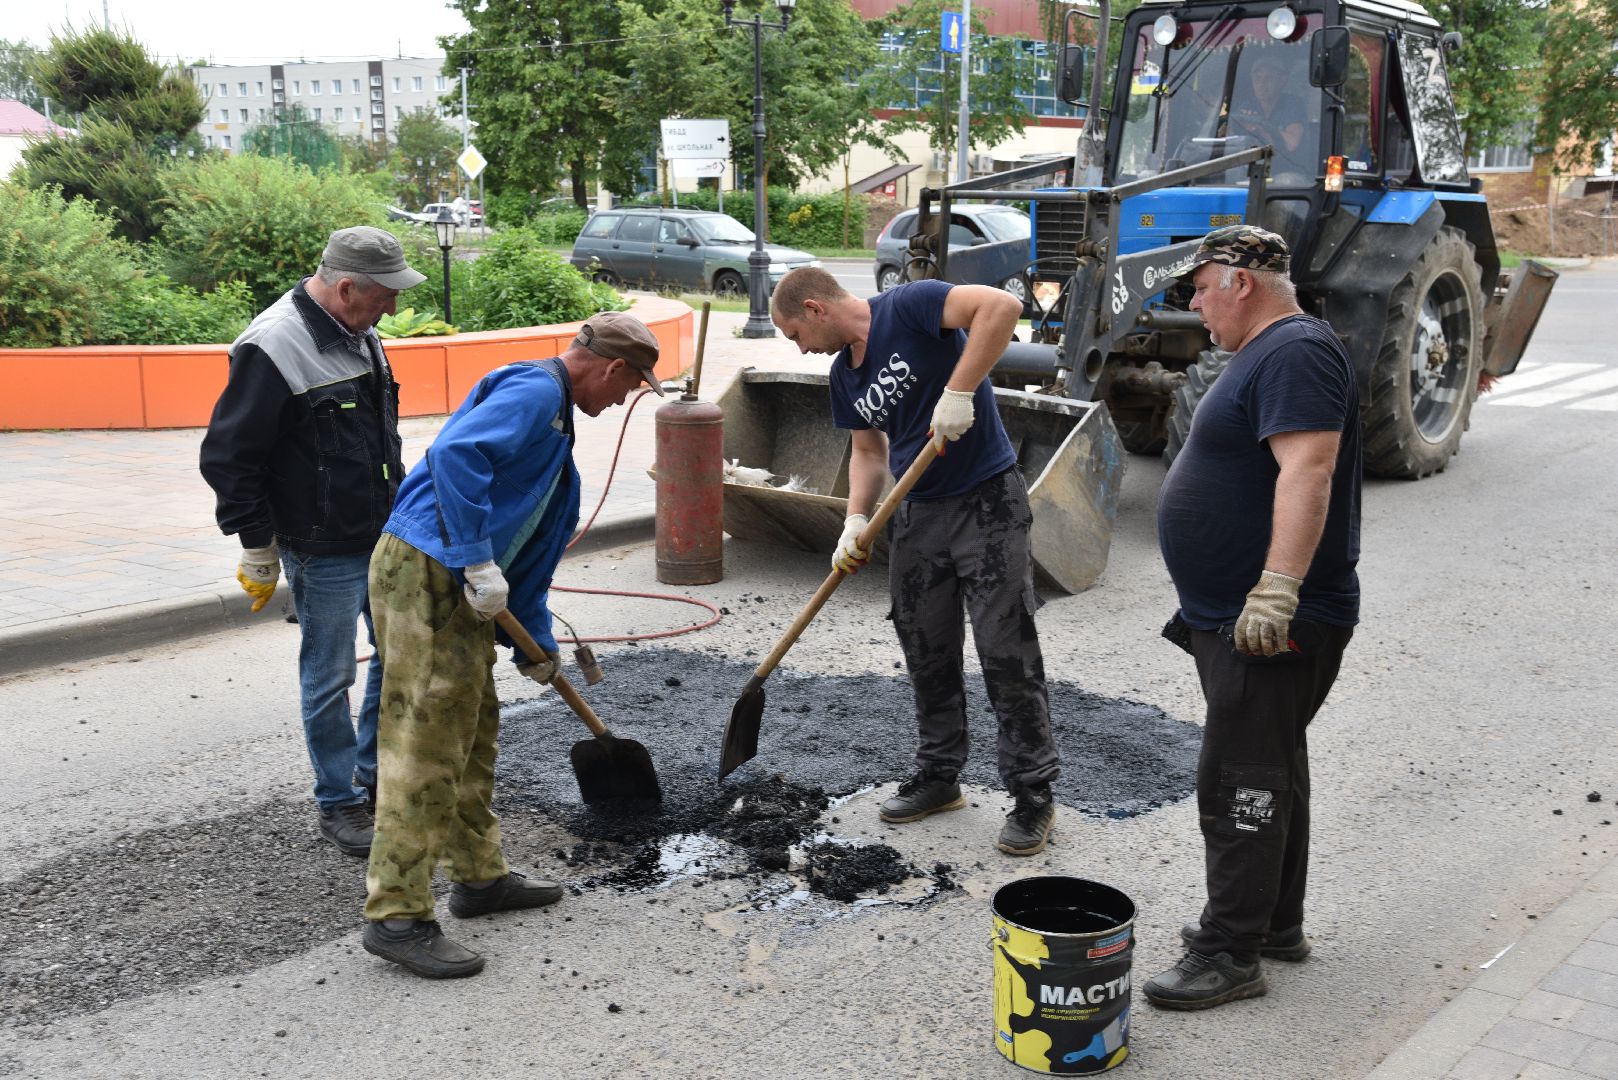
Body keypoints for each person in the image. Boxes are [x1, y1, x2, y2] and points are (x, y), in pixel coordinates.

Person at [361, 311, 665, 979]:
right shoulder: (536, 393)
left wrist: (535, 641)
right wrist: (473, 560)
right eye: (627, 387)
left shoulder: (554, 422)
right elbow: (455, 457)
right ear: (613, 368)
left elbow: (524, 549)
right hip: (429, 571)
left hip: (460, 577)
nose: (620, 400)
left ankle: (478, 876)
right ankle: (397, 914)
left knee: (473, 731)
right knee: (428, 743)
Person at [770, 267, 1060, 857]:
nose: (798, 346)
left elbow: (1000, 307)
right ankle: (939, 777)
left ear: (814, 307)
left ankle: (1033, 795)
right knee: (925, 647)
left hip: (988, 500)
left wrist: (959, 391)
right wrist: (855, 521)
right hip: (918, 513)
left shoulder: (911, 306)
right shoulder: (842, 377)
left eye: (794, 332)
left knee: (1005, 651)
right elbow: (868, 450)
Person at [1145, 225, 1360, 1010]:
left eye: (1200, 287)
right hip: (1237, 614)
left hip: (1272, 617)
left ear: (1239, 280)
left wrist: (1275, 589)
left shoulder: (1294, 349)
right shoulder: (1269, 352)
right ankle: (1271, 922)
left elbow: (1311, 464)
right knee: (1272, 763)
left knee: (1241, 778)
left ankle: (1230, 951)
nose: (1195, 305)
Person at [200, 226, 425, 858]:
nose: (394, 308)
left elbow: (379, 439)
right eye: (386, 295)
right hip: (320, 544)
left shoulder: (361, 330)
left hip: (381, 530)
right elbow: (228, 457)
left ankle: (377, 775)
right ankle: (338, 800)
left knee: (395, 655)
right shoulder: (273, 347)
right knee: (328, 674)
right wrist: (257, 544)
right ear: (348, 285)